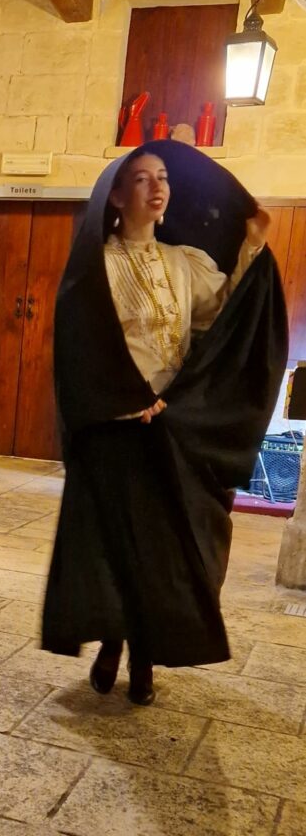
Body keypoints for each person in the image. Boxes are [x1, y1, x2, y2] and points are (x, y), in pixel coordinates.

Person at [42, 139, 287, 705]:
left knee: (167, 548)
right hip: (116, 427)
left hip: (171, 427)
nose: (158, 188)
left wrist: (252, 245)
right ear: (116, 196)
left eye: (164, 178)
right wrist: (124, 397)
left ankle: (146, 655)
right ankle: (112, 641)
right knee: (116, 543)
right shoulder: (97, 264)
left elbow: (224, 314)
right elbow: (81, 344)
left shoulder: (183, 262)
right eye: (143, 179)